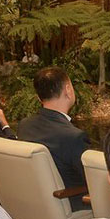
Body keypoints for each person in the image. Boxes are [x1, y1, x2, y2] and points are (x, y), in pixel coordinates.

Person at [18, 67, 90, 211]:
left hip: (37, 205)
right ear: (68, 90)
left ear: (39, 97)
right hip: (73, 204)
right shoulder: (73, 136)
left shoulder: (24, 126)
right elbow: (91, 180)